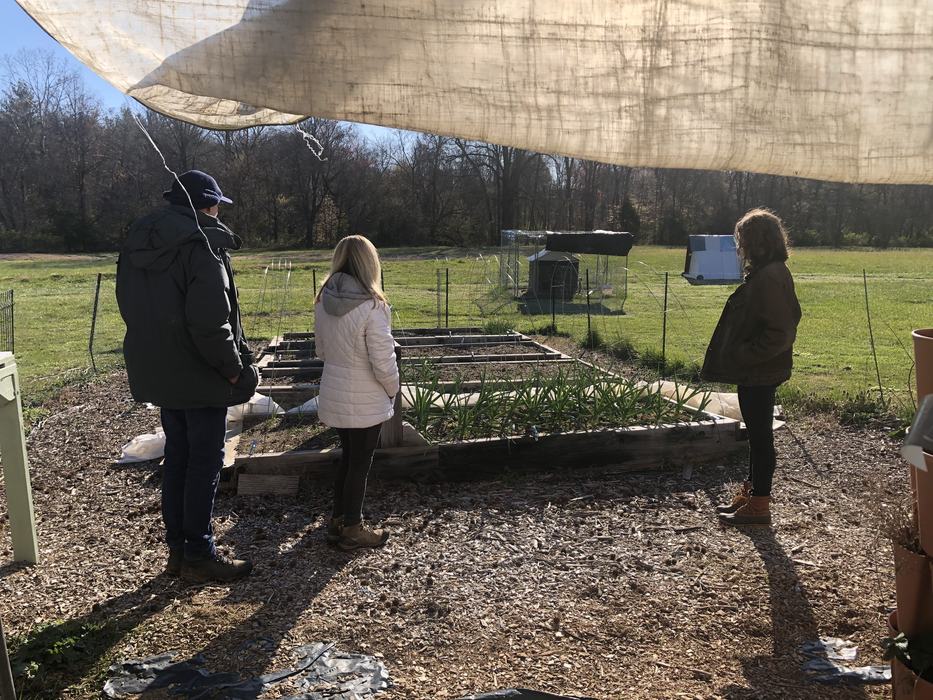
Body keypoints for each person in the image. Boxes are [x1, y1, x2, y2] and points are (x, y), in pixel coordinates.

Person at [116, 170, 258, 581]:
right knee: (204, 463)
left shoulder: (139, 243)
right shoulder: (200, 244)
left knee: (178, 457)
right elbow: (211, 323)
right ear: (208, 205)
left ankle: (179, 550)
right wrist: (233, 371)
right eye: (216, 205)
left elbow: (130, 305)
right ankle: (198, 551)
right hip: (200, 372)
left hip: (161, 368)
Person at [701, 209, 802, 526]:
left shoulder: (770, 277)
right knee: (758, 438)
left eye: (742, 240)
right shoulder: (772, 272)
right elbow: (792, 316)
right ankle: (752, 495)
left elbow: (782, 330)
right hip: (758, 371)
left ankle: (759, 506)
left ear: (757, 242)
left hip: (759, 371)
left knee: (760, 439)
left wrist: (746, 355)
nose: (739, 247)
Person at [314, 235, 400, 551]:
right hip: (366, 397)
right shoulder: (373, 306)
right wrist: (393, 389)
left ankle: (338, 520)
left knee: (348, 458)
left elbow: (321, 350)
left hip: (334, 391)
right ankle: (353, 527)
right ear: (370, 263)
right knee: (359, 465)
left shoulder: (323, 299)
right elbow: (383, 359)